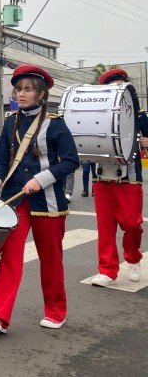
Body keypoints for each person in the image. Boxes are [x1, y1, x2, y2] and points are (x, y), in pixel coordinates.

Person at [0, 65, 79, 333]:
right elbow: (1, 161)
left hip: (47, 202)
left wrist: (42, 179)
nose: (21, 94)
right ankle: (0, 316)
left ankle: (55, 310)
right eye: (18, 89)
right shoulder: (11, 123)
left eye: (27, 89)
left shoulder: (56, 124)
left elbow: (71, 161)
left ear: (41, 94)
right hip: (15, 202)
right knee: (10, 256)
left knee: (50, 259)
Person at [88, 68, 146, 286]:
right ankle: (107, 269)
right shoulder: (96, 114)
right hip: (102, 176)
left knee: (132, 224)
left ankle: (133, 258)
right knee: (105, 226)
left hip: (129, 177)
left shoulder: (139, 116)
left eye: (121, 86)